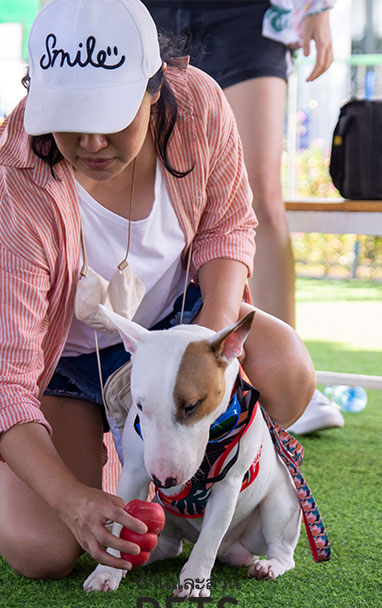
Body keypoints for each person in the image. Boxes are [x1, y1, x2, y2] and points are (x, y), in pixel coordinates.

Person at [0, 0, 316, 581]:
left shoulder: (199, 104)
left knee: (287, 369)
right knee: (42, 548)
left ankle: (207, 475)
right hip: (61, 372)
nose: (91, 140)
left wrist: (207, 346)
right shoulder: (18, 178)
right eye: (68, 114)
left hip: (172, 333)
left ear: (154, 89)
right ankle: (28, 458)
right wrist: (72, 501)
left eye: (111, 113)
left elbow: (227, 227)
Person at [142, 0, 344, 435]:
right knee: (145, 180)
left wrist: (318, 7)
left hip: (245, 13)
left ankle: (282, 372)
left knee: (261, 194)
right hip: (143, 9)